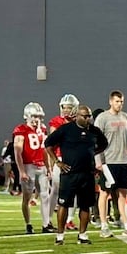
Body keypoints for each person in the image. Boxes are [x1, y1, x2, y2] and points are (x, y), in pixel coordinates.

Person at [44, 102, 107, 245]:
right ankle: (60, 236)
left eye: (89, 116)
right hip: (69, 174)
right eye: (84, 116)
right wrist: (57, 162)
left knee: (85, 206)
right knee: (64, 205)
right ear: (77, 116)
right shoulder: (65, 129)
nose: (87, 119)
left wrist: (92, 153)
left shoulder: (94, 131)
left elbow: (104, 144)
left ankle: (82, 235)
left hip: (87, 174)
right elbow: (48, 144)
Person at [94, 90, 127, 233]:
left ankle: (126, 224)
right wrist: (98, 161)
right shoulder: (102, 118)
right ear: (110, 101)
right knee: (104, 193)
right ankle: (104, 225)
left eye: (121, 102)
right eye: (117, 101)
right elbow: (95, 141)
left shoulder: (125, 117)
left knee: (123, 194)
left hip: (122, 162)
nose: (119, 104)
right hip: (108, 162)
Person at [14, 102, 53, 235]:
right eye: (34, 116)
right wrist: (21, 171)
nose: (37, 119)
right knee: (27, 197)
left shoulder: (42, 129)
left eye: (39, 116)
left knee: (45, 195)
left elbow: (44, 150)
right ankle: (28, 224)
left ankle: (46, 224)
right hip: (28, 165)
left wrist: (48, 167)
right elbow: (17, 152)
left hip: (41, 165)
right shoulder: (21, 130)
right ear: (27, 116)